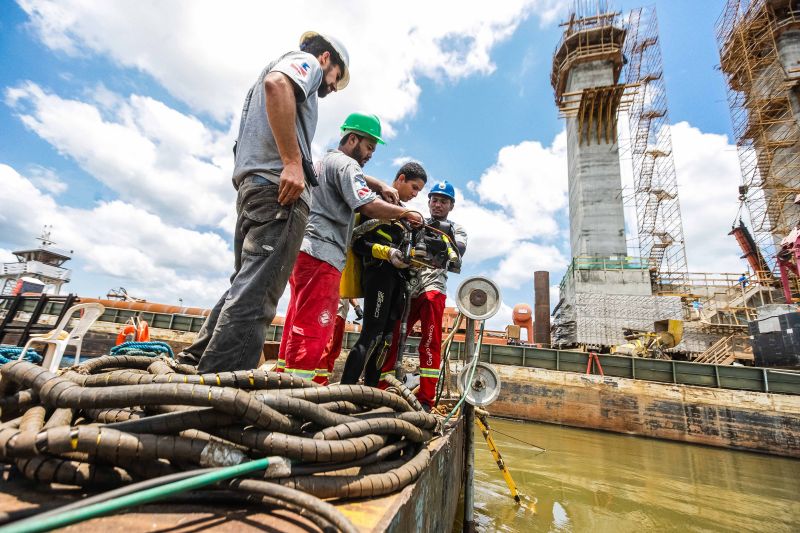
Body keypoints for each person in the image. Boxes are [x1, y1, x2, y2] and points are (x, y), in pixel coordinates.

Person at [177, 32, 349, 373]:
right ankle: (217, 390)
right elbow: (278, 85)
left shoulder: (258, 85)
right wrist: (291, 161)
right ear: (327, 59)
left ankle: (195, 360)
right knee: (258, 293)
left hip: (252, 188)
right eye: (335, 78)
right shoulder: (309, 64)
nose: (330, 87)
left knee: (245, 282)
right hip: (278, 192)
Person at [277, 114, 423, 381]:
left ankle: (281, 384)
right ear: (352, 139)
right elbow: (367, 205)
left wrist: (377, 183)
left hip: (303, 251)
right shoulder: (347, 165)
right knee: (315, 327)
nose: (369, 154)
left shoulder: (324, 162)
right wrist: (404, 214)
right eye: (368, 147)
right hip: (324, 253)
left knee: (296, 321)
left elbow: (351, 176)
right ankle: (296, 395)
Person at [379, 181, 467, 410]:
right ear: (428, 202)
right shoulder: (415, 222)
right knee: (393, 337)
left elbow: (456, 251)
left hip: (432, 289)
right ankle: (381, 388)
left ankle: (426, 399)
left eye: (443, 201)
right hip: (409, 288)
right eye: (435, 200)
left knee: (430, 342)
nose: (438, 205)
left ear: (451, 206)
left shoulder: (456, 229)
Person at [340, 163, 428, 386]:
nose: (416, 194)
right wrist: (387, 252)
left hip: (399, 282)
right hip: (378, 275)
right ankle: (346, 389)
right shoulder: (375, 203)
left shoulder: (406, 219)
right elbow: (358, 242)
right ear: (400, 179)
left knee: (387, 339)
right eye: (414, 187)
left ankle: (370, 391)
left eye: (419, 190)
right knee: (371, 335)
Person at [313, 298, 362, 385]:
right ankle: (318, 382)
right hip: (331, 310)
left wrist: (357, 306)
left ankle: (325, 379)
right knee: (326, 347)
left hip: (342, 314)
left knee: (335, 350)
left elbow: (349, 291)